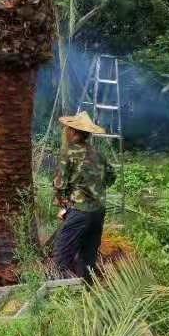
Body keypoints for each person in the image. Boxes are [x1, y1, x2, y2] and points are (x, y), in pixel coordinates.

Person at [52, 111, 116, 283]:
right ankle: (85, 292)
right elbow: (111, 176)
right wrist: (95, 189)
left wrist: (63, 207)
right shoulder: (98, 154)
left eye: (67, 129)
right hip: (98, 212)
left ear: (72, 131)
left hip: (80, 212)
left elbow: (59, 184)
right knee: (88, 256)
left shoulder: (69, 153)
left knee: (61, 254)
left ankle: (58, 294)